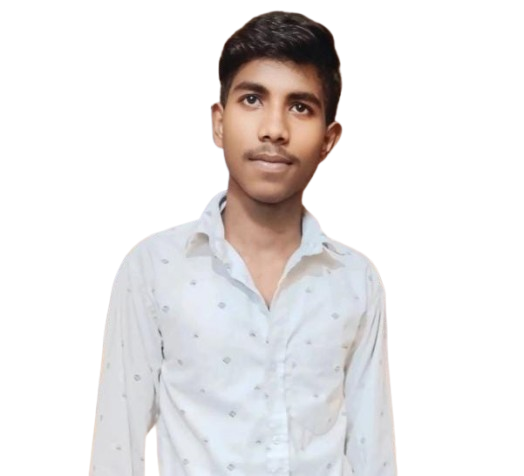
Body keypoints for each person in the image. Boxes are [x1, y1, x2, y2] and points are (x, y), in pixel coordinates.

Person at [89, 10, 397, 476]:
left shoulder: (355, 281)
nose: (274, 129)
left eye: (300, 107)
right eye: (252, 99)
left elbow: (373, 450)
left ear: (328, 139)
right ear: (219, 122)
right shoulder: (155, 269)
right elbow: (117, 444)